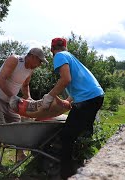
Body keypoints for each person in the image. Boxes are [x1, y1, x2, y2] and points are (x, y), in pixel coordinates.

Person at [41, 38, 104, 179]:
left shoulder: (59, 56)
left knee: (66, 137)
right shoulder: (69, 56)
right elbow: (78, 82)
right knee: (84, 132)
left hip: (88, 99)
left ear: (52, 49)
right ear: (65, 47)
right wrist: (68, 100)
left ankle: (66, 175)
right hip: (96, 96)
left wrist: (50, 96)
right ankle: (84, 166)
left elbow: (66, 79)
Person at [0, 47, 48, 171]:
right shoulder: (14, 60)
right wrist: (12, 97)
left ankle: (20, 155)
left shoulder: (30, 70)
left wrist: (28, 98)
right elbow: (0, 79)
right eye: (40, 61)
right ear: (33, 57)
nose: (40, 65)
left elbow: (25, 85)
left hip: (10, 101)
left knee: (18, 126)